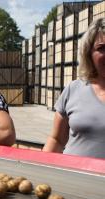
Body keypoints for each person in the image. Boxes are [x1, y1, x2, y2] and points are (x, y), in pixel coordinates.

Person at [43, 18, 105, 159]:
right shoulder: (73, 89)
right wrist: (41, 169)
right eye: (102, 48)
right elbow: (56, 140)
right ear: (89, 53)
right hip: (70, 177)